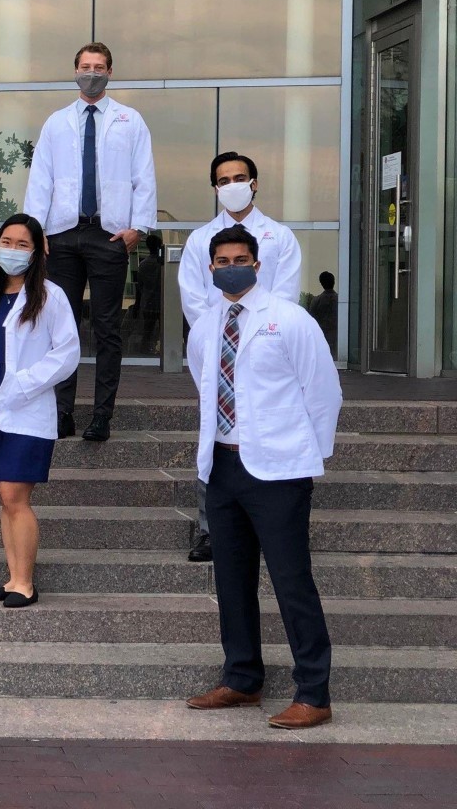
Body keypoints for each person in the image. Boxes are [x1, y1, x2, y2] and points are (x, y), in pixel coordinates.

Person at [184, 225, 341, 731]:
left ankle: (314, 693)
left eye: (241, 257)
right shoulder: (207, 326)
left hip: (280, 471)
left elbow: (323, 393)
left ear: (256, 263)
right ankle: (242, 678)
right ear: (211, 269)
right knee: (231, 580)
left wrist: (305, 455)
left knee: (292, 582)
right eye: (222, 259)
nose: (232, 264)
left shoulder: (290, 319)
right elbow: (205, 386)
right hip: (224, 468)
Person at [23, 42, 156, 443]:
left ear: (110, 72)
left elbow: (143, 176)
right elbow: (40, 178)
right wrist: (35, 229)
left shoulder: (130, 121)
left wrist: (138, 228)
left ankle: (101, 416)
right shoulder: (56, 123)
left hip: (109, 233)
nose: (92, 73)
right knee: (60, 327)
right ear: (75, 71)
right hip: (62, 233)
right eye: (85, 66)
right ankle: (62, 413)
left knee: (107, 327)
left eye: (99, 67)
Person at [179, 151, 301, 563]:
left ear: (254, 183)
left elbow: (284, 296)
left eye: (240, 177)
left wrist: (254, 336)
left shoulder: (279, 237)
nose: (231, 184)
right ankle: (212, 529)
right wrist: (217, 338)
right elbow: (194, 300)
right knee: (213, 435)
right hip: (216, 350)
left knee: (262, 427)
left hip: (267, 349)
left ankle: (270, 524)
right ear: (215, 188)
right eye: (223, 179)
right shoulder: (199, 240)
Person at [0, 214, 80, 608]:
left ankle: (26, 583)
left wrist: (25, 382)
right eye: (7, 242)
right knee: (2, 493)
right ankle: (12, 577)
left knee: (15, 494)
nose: (12, 250)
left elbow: (67, 353)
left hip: (26, 405)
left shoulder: (49, 296)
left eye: (22, 244)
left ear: (37, 252)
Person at [132, 233, 163, 355]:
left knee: (148, 330)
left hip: (147, 303)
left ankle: (144, 350)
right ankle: (161, 350)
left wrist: (137, 304)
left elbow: (140, 287)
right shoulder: (162, 264)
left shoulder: (143, 264)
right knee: (163, 330)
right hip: (161, 302)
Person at [308, 271, 338, 355]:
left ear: (321, 283)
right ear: (334, 282)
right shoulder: (340, 301)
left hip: (322, 337)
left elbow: (311, 320)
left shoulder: (316, 301)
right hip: (337, 338)